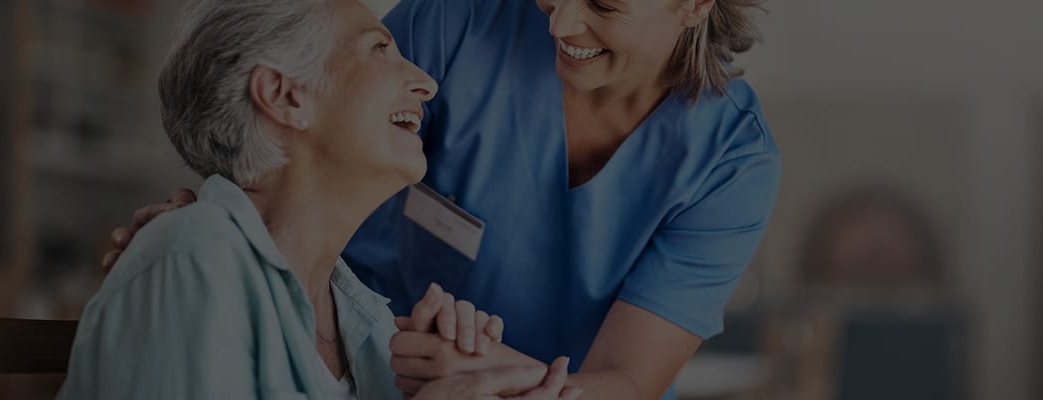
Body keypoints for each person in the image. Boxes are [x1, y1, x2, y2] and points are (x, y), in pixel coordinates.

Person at [107, 0, 780, 398]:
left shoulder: (728, 159)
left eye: (603, 2)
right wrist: (222, 230)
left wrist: (488, 376)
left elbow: (625, 382)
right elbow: (304, 147)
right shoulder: (462, 21)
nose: (559, 20)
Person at [60, 0, 579, 398]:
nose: (425, 82)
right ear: (287, 97)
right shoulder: (193, 259)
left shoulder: (373, 329)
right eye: (380, 48)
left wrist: (484, 375)